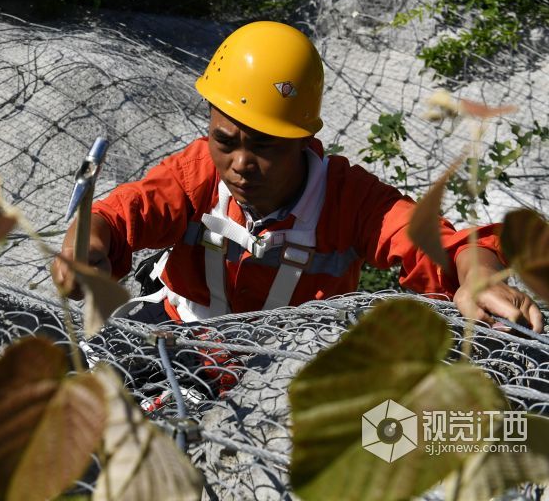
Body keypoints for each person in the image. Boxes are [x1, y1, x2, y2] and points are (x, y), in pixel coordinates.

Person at [52, 21, 544, 333]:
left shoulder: (349, 201)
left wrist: (477, 277)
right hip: (179, 326)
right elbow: (122, 215)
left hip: (284, 358)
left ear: (303, 139)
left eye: (264, 145)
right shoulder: (194, 174)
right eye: (225, 140)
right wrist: (89, 240)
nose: (241, 163)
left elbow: (440, 242)